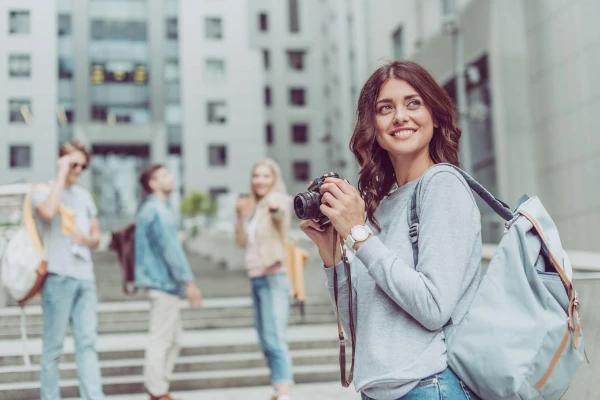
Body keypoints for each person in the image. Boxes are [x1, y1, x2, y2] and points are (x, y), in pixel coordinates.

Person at [300, 60, 482, 400]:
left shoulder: (442, 185)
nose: (400, 116)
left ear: (435, 115)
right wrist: (332, 252)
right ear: (373, 127)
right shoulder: (381, 204)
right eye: (386, 108)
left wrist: (358, 233)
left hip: (428, 386)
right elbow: (364, 322)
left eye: (413, 103)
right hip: (379, 390)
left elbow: (433, 307)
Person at [32, 140, 104, 400]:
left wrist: (87, 239)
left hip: (86, 278)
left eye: (82, 166)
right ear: (61, 160)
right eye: (73, 164)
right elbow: (49, 213)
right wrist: (61, 173)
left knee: (87, 344)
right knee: (53, 347)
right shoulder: (42, 191)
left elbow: (97, 238)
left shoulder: (85, 197)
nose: (78, 170)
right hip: (57, 277)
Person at [134, 164, 203, 400]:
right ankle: (157, 391)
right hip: (161, 283)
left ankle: (158, 387)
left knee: (173, 340)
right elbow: (171, 250)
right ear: (153, 183)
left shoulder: (153, 209)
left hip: (162, 284)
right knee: (162, 339)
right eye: (164, 176)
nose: (170, 178)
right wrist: (189, 283)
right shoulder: (157, 210)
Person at [234, 159, 294, 400]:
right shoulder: (254, 207)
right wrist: (239, 217)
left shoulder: (277, 200)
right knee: (264, 339)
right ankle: (278, 387)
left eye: (265, 176)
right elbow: (240, 242)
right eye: (256, 176)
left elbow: (281, 214)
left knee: (275, 337)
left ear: (274, 179)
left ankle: (284, 392)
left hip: (274, 277)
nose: (259, 180)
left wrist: (274, 209)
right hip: (256, 278)